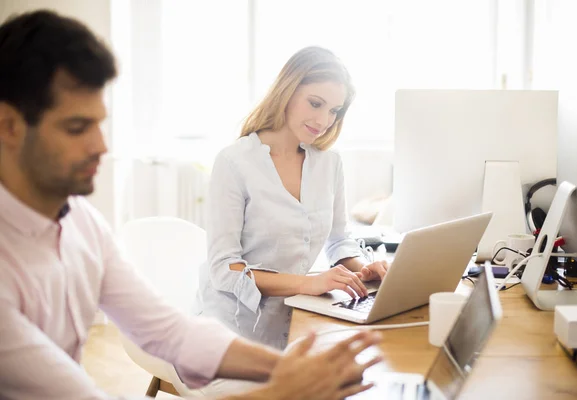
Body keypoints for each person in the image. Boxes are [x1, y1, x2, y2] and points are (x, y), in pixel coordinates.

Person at [0, 10, 382, 400]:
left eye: (101, 124)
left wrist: (292, 371)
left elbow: (169, 333)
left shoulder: (83, 225)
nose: (101, 146)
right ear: (8, 126)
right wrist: (282, 391)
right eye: (77, 127)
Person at [200, 46, 389, 350]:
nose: (324, 120)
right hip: (235, 328)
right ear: (287, 91)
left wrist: (363, 269)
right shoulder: (235, 162)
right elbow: (224, 268)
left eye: (334, 111)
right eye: (315, 103)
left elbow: (338, 241)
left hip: (303, 318)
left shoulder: (329, 163)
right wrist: (309, 283)